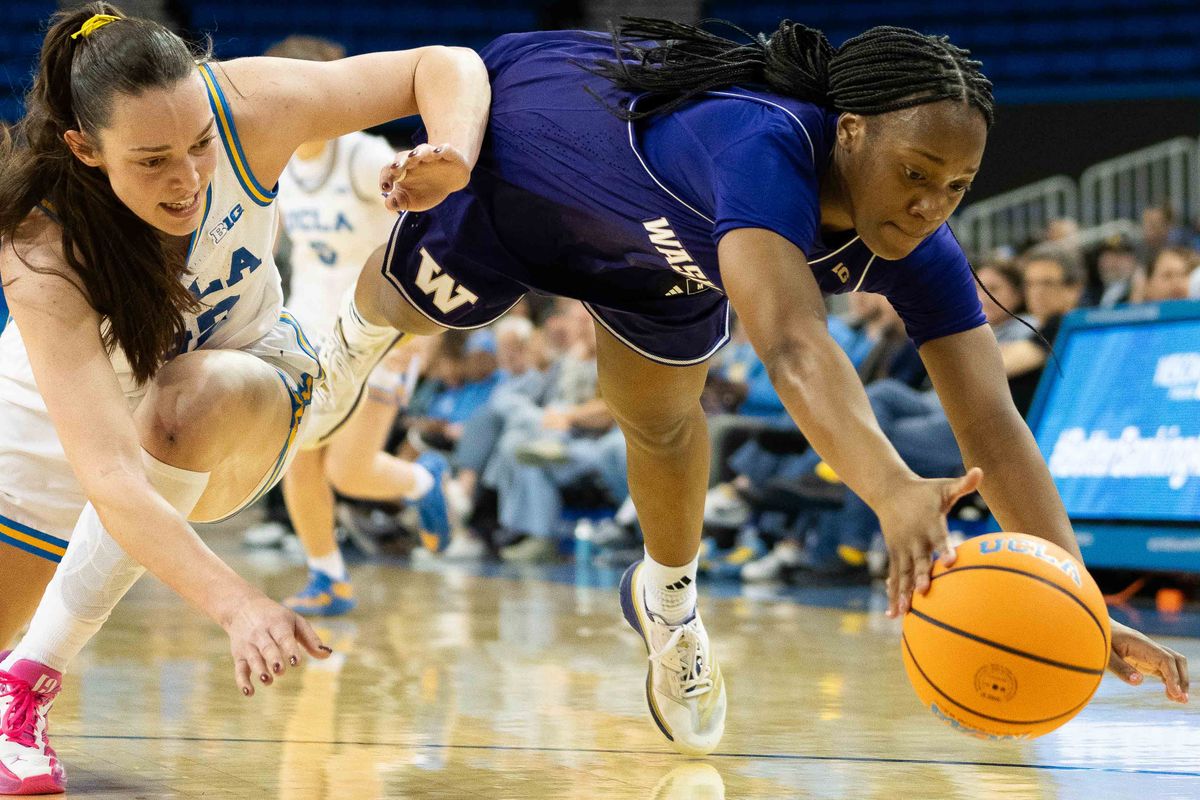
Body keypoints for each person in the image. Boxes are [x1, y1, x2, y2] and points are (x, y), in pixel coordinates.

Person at [324, 19, 1190, 756]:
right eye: (917, 173)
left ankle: (667, 607)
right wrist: (890, 490)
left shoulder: (922, 249)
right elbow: (789, 341)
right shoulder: (763, 141)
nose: (932, 205)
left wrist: (1074, 598)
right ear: (850, 131)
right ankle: (328, 349)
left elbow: (994, 427)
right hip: (532, 163)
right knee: (407, 307)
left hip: (660, 259)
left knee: (663, 427)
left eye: (956, 187)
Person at [0, 4, 488, 792]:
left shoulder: (250, 107)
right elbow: (109, 475)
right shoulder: (40, 243)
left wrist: (455, 154)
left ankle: (26, 684)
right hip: (62, 413)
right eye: (153, 159)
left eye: (197, 145)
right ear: (84, 148)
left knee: (187, 403)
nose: (189, 177)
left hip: (244, 380)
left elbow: (445, 61)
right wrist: (236, 605)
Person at [266, 34, 454, 616]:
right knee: (296, 455)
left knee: (350, 469)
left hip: (381, 329)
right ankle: (329, 578)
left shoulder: (365, 157)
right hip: (308, 330)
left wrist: (424, 334)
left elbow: (443, 232)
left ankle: (425, 482)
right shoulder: (276, 162)